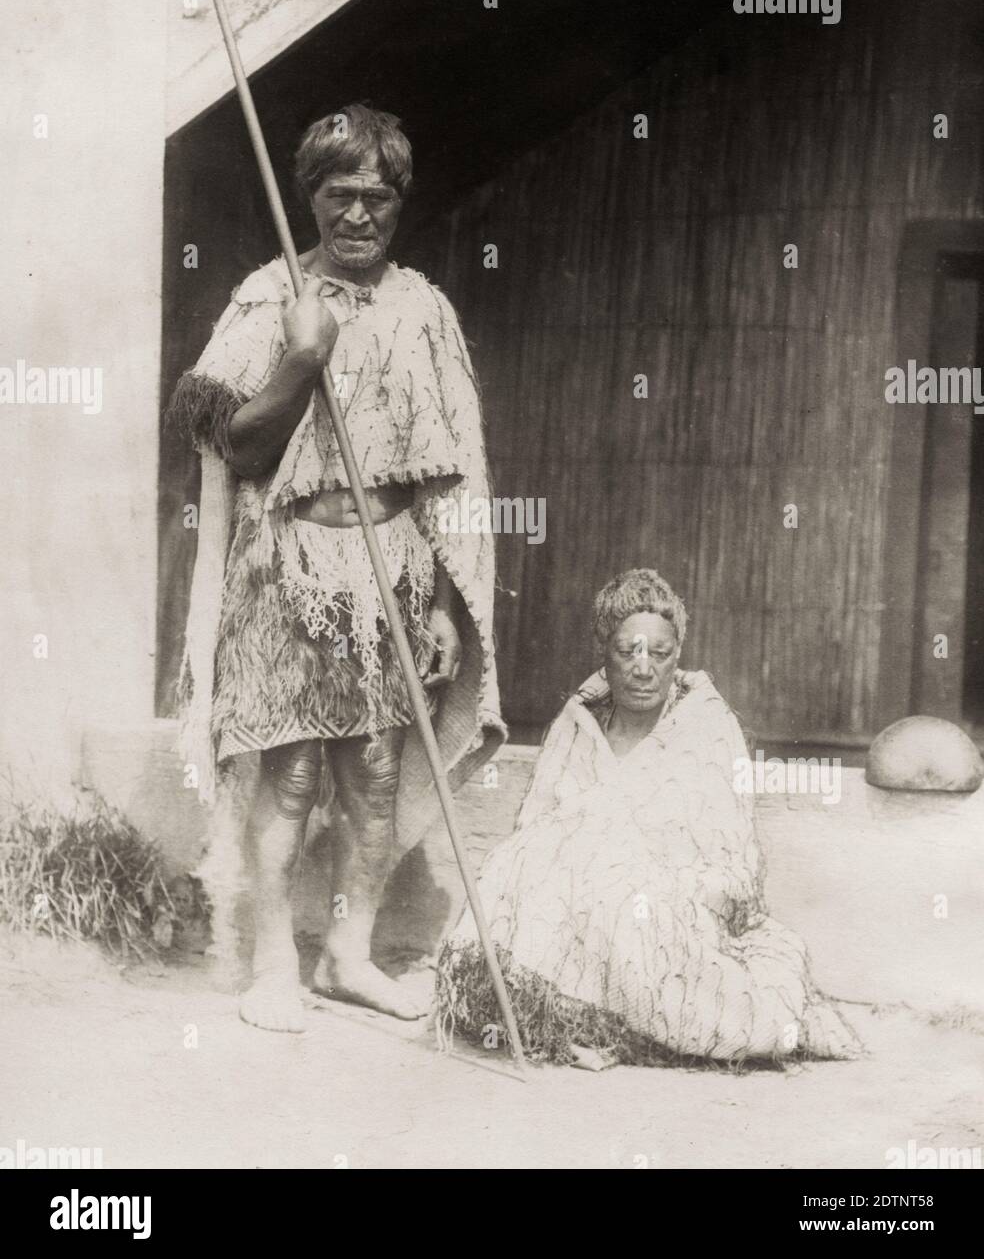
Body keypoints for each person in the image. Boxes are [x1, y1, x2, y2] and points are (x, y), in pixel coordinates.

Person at [170, 104, 503, 1033]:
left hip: (393, 569)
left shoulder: (422, 310)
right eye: (339, 196)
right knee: (291, 778)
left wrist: (442, 600)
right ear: (309, 198)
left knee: (376, 780)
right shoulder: (269, 297)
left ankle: (346, 956)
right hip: (288, 568)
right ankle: (276, 963)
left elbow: (449, 473)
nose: (358, 216)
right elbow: (229, 441)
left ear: (399, 203)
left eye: (377, 199)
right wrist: (303, 356)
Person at [437, 568, 861, 1066]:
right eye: (627, 652)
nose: (643, 669)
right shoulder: (578, 725)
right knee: (514, 866)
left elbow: (731, 862)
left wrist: (633, 870)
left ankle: (615, 1028)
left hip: (674, 904)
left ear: (676, 655)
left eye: (659, 654)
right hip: (579, 897)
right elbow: (538, 827)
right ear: (604, 653)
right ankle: (572, 1023)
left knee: (626, 900)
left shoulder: (705, 729)